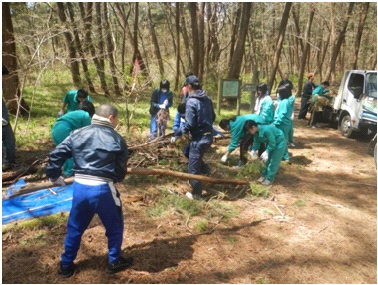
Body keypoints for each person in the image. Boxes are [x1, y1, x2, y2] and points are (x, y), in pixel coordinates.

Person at [46, 104, 133, 278]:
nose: (117, 123)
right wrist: (112, 178)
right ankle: (114, 261)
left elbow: (56, 154)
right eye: (117, 119)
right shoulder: (117, 139)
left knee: (75, 227)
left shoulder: (78, 133)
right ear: (110, 118)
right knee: (115, 225)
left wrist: (54, 176)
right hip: (102, 188)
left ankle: (65, 265)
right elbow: (120, 171)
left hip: (79, 186)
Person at [170, 75, 215, 200]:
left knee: (193, 170)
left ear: (189, 86)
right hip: (209, 136)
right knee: (187, 151)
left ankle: (197, 194)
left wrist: (177, 134)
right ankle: (205, 169)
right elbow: (214, 116)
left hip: (199, 139)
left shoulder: (191, 101)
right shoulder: (208, 99)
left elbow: (189, 124)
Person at [51, 101, 95, 177]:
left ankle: (66, 172)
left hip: (55, 129)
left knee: (63, 153)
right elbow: (87, 133)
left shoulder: (74, 113)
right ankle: (70, 174)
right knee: (71, 153)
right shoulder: (86, 115)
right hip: (64, 129)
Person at [244, 120, 286, 186]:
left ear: (253, 127)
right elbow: (257, 142)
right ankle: (263, 175)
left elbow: (273, 143)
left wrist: (267, 151)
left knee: (273, 161)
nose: (249, 132)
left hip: (279, 143)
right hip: (271, 143)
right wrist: (253, 150)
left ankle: (269, 178)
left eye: (249, 131)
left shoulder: (266, 130)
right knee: (265, 160)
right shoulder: (255, 133)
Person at [273, 83, 293, 162]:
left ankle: (286, 157)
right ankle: (284, 156)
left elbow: (282, 113)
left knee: (282, 140)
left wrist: (276, 122)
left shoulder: (285, 102)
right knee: (282, 140)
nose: (278, 94)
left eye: (279, 93)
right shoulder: (284, 101)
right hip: (284, 123)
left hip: (282, 124)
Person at [2, 65, 16, 171]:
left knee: (10, 141)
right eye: (2, 76)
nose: (3, 79)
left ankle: (9, 163)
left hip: (5, 122)